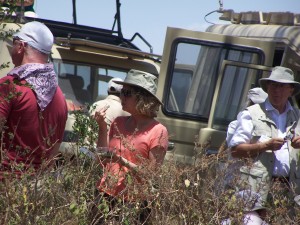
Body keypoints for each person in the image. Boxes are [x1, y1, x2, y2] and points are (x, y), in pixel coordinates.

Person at [93, 69, 169, 223]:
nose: (122, 97)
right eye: (122, 92)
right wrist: (102, 126)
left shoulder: (158, 131)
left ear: (142, 99)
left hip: (135, 202)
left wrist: (122, 161)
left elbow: (151, 174)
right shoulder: (118, 122)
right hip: (105, 194)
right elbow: (101, 159)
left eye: (127, 93)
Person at [228, 66, 300, 224]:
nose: (276, 90)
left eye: (282, 86)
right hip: (255, 188)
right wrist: (264, 146)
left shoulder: (298, 116)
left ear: (291, 90)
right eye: (273, 85)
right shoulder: (251, 114)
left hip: (289, 189)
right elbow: (235, 151)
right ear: (267, 88)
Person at [0, 21, 68, 179]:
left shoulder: (9, 86)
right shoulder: (58, 96)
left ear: (21, 46)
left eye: (14, 41)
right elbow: (54, 150)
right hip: (35, 189)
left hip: (5, 186)